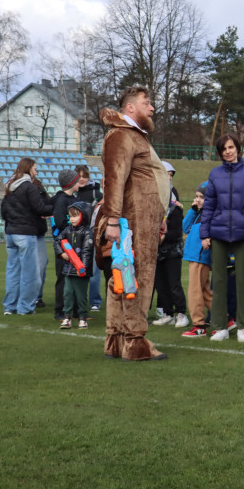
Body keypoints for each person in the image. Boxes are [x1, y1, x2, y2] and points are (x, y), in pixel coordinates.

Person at [96, 86, 171, 361]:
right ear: (130, 107)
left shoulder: (134, 135)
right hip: (133, 222)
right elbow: (114, 180)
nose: (152, 108)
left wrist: (160, 217)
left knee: (123, 276)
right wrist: (112, 220)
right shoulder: (121, 135)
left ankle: (116, 341)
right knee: (138, 277)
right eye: (146, 103)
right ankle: (135, 341)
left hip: (143, 220)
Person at [199, 132, 244, 343]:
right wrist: (204, 233)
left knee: (242, 280)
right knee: (218, 281)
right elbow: (209, 205)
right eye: (224, 149)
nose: (228, 151)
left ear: (237, 148)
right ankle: (220, 327)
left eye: (230, 147)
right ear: (220, 152)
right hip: (218, 233)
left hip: (243, 232)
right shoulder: (214, 174)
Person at [0, 158, 54, 315]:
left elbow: (3, 211)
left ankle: (10, 307)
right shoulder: (29, 187)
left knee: (13, 272)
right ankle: (25, 308)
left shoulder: (10, 186)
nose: (36, 172)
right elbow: (40, 208)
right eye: (35, 169)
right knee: (30, 273)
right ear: (28, 169)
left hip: (11, 233)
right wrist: (56, 207)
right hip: (26, 233)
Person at [153, 161, 188, 328]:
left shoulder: (175, 208)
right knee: (161, 285)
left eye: (170, 175)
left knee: (174, 284)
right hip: (158, 251)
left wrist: (163, 237)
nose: (169, 177)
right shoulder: (152, 207)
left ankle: (181, 313)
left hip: (172, 251)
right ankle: (168, 313)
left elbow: (176, 232)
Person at [181, 182, 214, 337]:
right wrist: (193, 210)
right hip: (194, 256)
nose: (198, 200)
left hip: (200, 257)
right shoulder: (198, 214)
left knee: (195, 292)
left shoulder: (210, 215)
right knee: (206, 292)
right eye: (196, 196)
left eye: (202, 197)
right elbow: (185, 227)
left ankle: (199, 325)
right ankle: (225, 318)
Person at [55, 201, 94, 329]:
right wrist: (61, 253)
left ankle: (82, 317)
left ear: (84, 215)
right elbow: (57, 241)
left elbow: (87, 252)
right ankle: (67, 317)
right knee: (67, 294)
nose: (72, 219)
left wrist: (82, 267)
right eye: (70, 216)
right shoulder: (67, 230)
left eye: (75, 216)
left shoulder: (87, 232)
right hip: (68, 269)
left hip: (81, 271)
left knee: (81, 295)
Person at [50, 169, 82, 322]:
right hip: (64, 244)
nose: (79, 182)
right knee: (63, 277)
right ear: (71, 183)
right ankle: (60, 310)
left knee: (76, 276)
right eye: (77, 180)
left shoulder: (73, 199)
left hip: (75, 242)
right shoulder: (61, 200)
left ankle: (75, 309)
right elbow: (59, 222)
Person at [74, 165, 104, 312]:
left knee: (94, 271)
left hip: (92, 235)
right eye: (79, 176)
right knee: (76, 270)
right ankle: (78, 301)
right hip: (75, 236)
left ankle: (95, 301)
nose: (82, 179)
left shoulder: (95, 193)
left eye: (84, 176)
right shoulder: (73, 193)